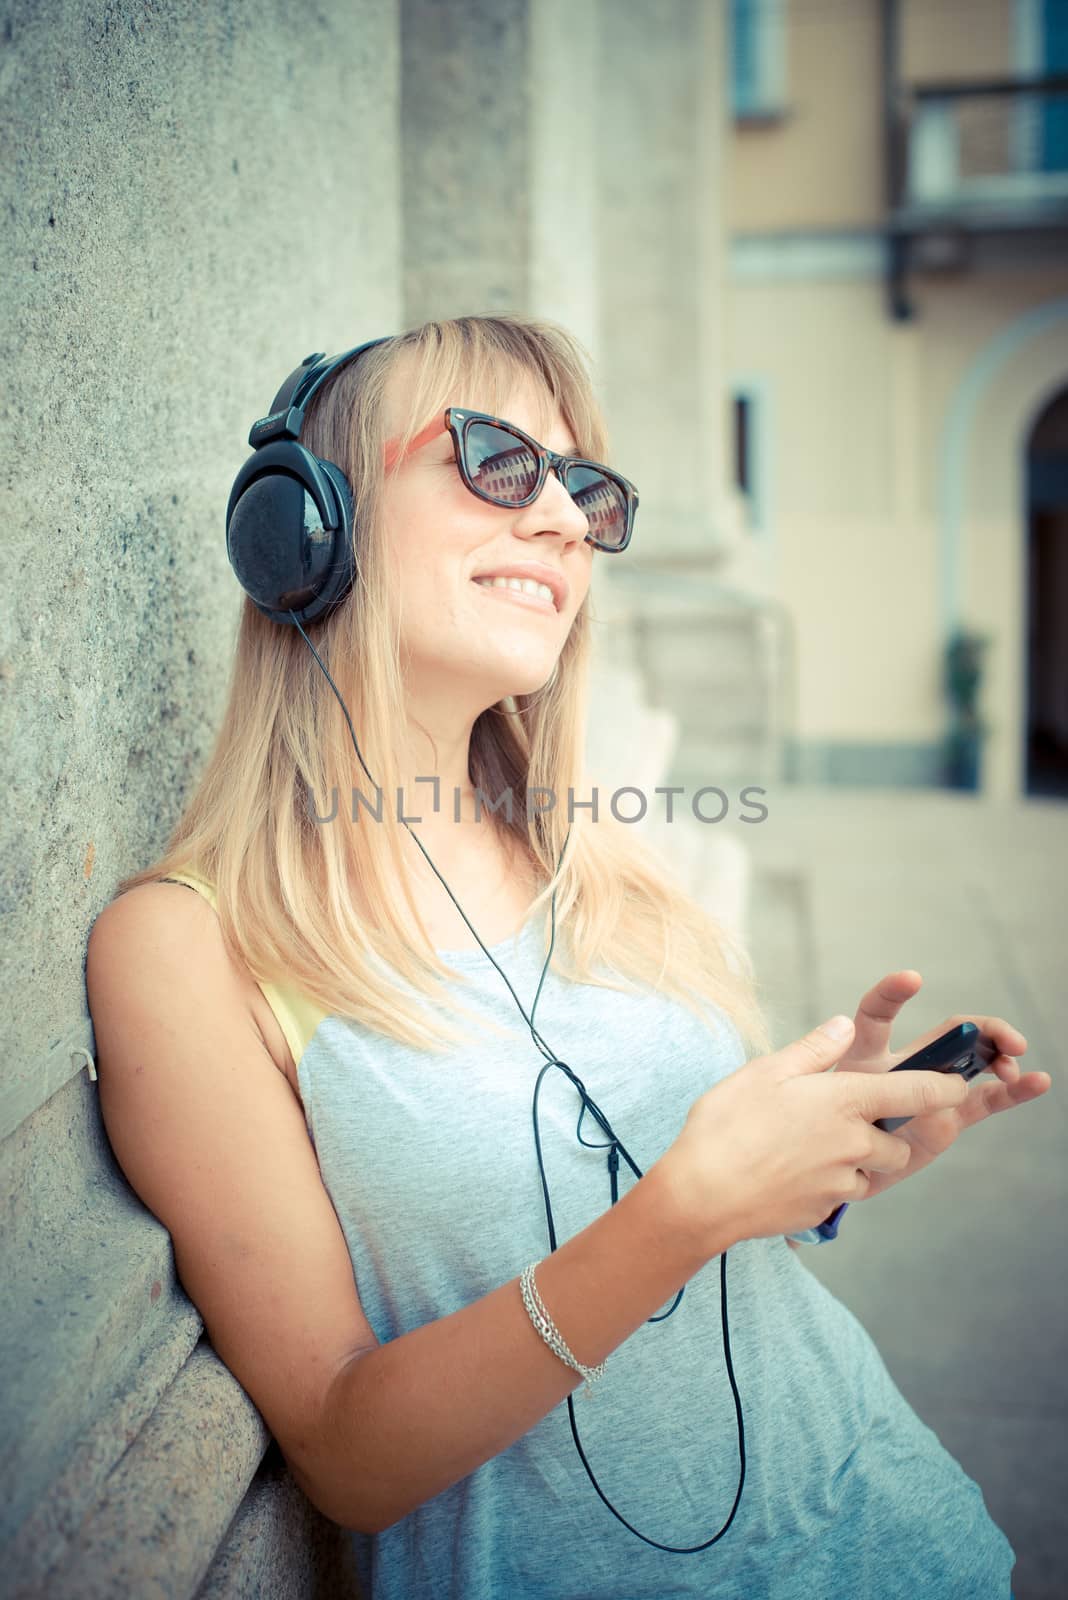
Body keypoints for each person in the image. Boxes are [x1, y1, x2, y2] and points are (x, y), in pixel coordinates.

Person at [85, 314, 1048, 1600]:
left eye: (586, 489)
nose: (560, 520)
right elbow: (346, 1452)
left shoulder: (597, 855)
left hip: (896, 1531)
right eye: (496, 458)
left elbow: (657, 1198)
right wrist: (684, 1210)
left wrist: (818, 1163)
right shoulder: (183, 946)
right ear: (305, 527)